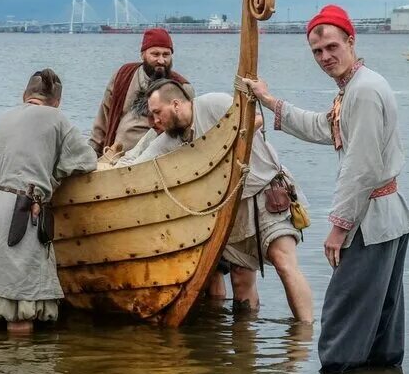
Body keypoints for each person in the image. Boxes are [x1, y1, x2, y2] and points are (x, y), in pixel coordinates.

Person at [246, 5, 409, 373]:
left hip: (369, 225)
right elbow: (325, 127)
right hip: (388, 222)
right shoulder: (355, 87)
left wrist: (338, 228)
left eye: (332, 47)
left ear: (351, 42)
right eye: (317, 52)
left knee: (339, 335)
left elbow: (361, 167)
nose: (325, 57)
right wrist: (270, 101)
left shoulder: (364, 92)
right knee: (381, 335)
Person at [132, 79, 314, 323]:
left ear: (175, 104)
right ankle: (245, 347)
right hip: (232, 208)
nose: (154, 121)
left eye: (157, 113)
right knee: (239, 277)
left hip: (265, 191)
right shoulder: (170, 139)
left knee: (284, 262)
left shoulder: (212, 104)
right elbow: (138, 166)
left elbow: (255, 119)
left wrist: (221, 140)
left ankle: (304, 337)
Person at [0, 69, 97, 334]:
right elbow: (86, 160)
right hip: (17, 209)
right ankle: (18, 372)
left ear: (25, 96)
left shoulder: (5, 116)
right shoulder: (57, 119)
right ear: (57, 102)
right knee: (19, 308)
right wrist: (54, 174)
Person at [89, 27, 190, 156]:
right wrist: (92, 153)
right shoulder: (123, 76)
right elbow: (103, 118)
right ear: (143, 54)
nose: (161, 60)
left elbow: (186, 135)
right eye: (155, 54)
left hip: (154, 161)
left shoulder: (181, 88)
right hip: (112, 155)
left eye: (166, 55)